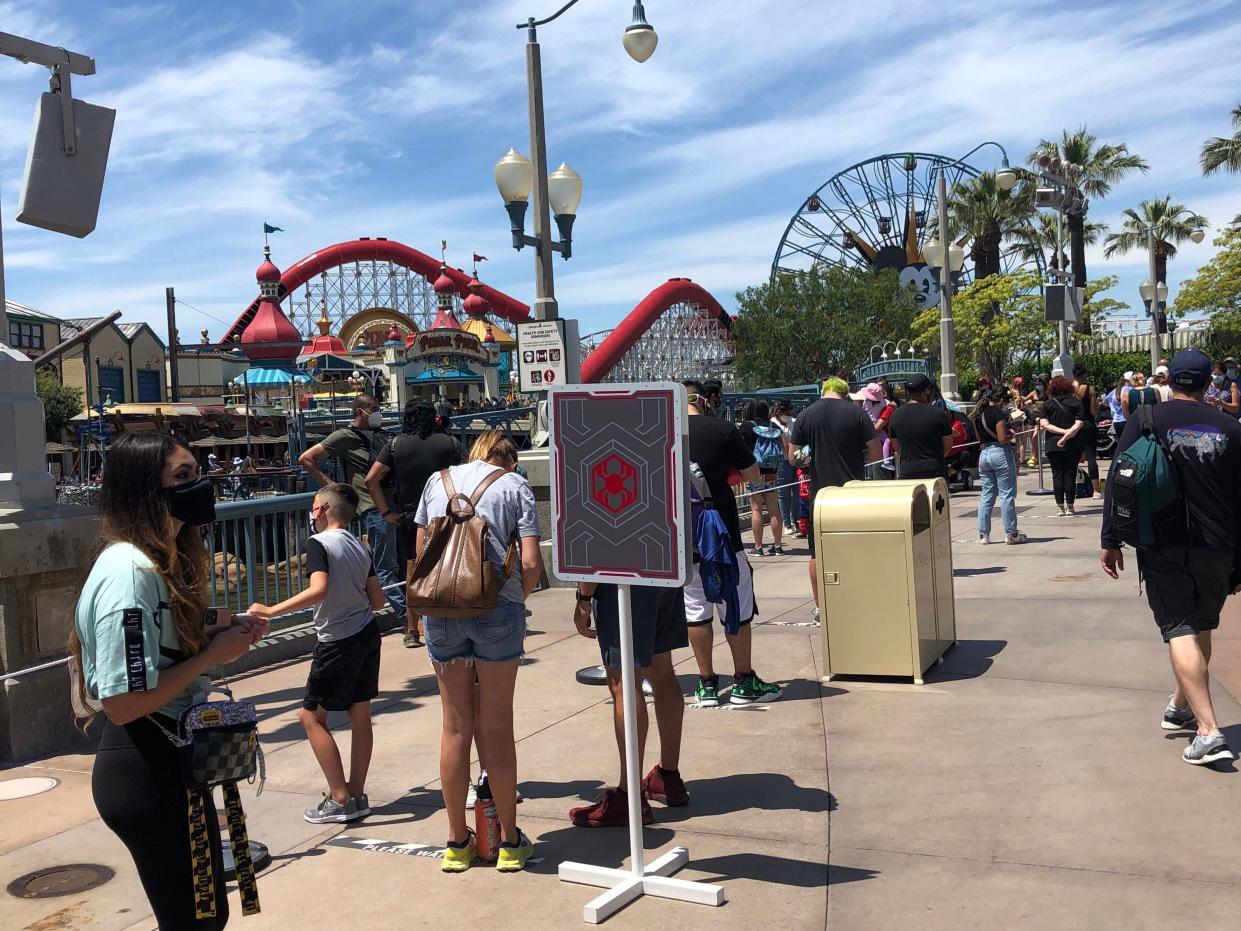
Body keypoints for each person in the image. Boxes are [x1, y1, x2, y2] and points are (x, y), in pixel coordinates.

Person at [69, 432, 265, 930]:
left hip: (167, 758)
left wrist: (217, 629)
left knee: (204, 913)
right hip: (144, 766)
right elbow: (122, 703)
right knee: (192, 920)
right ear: (144, 491)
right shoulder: (129, 574)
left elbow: (154, 648)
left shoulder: (156, 562)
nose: (198, 486)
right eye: (183, 478)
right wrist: (215, 655)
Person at [1101, 349, 1241, 766]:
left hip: (1162, 542)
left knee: (1179, 627)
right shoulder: (1231, 428)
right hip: (1217, 545)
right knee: (1201, 625)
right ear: (1206, 383)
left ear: (1169, 381)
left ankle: (1208, 730)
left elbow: (1119, 481)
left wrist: (1111, 539)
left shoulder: (1148, 421)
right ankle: (1182, 704)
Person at [415, 435, 542, 872]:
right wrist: (513, 601)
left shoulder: (437, 482)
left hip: (442, 611)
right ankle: (508, 842)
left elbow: (421, 555)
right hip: (496, 611)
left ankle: (456, 842)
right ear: (504, 457)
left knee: (454, 728)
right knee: (497, 727)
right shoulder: (514, 486)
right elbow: (529, 563)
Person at [247, 483, 387, 823]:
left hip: (337, 640)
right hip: (367, 634)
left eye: (313, 506)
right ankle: (356, 793)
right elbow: (379, 601)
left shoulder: (319, 543)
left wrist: (270, 611)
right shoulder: (358, 545)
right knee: (360, 714)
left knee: (310, 717)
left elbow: (319, 590)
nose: (312, 512)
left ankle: (339, 798)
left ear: (322, 509)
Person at [683, 380, 782, 705]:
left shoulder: (662, 434)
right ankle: (743, 681)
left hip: (684, 537)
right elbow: (753, 473)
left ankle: (707, 684)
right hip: (722, 532)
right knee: (734, 604)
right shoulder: (722, 429)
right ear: (704, 399)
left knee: (696, 609)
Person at [569, 583, 689, 826]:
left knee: (623, 678)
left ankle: (629, 796)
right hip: (663, 568)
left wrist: (584, 598)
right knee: (662, 669)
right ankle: (668, 775)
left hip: (622, 575)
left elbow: (591, 548)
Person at [364, 400, 464, 649]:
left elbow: (371, 479)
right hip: (448, 515)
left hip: (409, 518)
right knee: (452, 566)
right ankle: (452, 620)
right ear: (434, 418)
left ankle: (411, 629)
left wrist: (386, 512)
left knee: (413, 571)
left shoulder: (395, 445)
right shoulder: (450, 444)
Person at [299, 394, 406, 620]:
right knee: (385, 566)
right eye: (374, 409)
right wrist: (330, 484)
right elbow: (307, 458)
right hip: (373, 507)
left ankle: (409, 614)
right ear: (360, 412)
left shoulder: (381, 434)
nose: (379, 413)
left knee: (401, 563)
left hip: (394, 504)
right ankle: (406, 617)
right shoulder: (345, 436)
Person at [789, 378, 883, 614]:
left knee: (817, 554)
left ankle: (822, 607)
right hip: (853, 494)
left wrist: (814, 458)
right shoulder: (857, 414)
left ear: (824, 392)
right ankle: (855, 602)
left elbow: (793, 458)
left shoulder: (805, 415)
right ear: (845, 394)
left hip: (820, 497)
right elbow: (874, 454)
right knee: (855, 550)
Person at [973, 389, 1027, 545]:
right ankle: (1011, 533)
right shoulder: (997, 414)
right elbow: (1003, 438)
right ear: (1000, 400)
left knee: (987, 494)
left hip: (984, 454)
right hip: (999, 453)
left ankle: (983, 534)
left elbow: (979, 438)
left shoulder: (978, 414)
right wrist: (1011, 434)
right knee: (1006, 495)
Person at [738, 399, 785, 556]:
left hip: (754, 471)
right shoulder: (774, 427)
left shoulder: (746, 427)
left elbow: (741, 449)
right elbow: (784, 448)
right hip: (772, 471)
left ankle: (758, 547)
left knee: (756, 509)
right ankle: (777, 546)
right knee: (773, 509)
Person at [888, 373, 953, 480]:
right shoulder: (938, 414)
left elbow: (896, 445)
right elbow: (948, 444)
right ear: (927, 390)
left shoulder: (895, 415)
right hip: (934, 470)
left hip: (908, 470)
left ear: (908, 391)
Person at [1039, 375, 1086, 516]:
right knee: (1070, 474)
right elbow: (1079, 424)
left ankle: (1060, 506)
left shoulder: (1047, 405)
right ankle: (1070, 506)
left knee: (1057, 474)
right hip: (1073, 444)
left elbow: (1044, 424)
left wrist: (1062, 433)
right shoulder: (1076, 403)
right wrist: (1068, 434)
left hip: (1053, 443)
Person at [852, 383, 894, 480]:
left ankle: (886, 462)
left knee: (879, 478)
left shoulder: (888, 408)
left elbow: (877, 428)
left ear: (885, 393)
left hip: (879, 452)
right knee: (870, 478)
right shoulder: (870, 405)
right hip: (871, 449)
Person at [771, 399, 799, 532]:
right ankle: (787, 523)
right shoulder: (773, 424)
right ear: (778, 413)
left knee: (797, 492)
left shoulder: (794, 422)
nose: (788, 415)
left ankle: (796, 521)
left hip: (796, 459)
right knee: (784, 493)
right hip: (782, 461)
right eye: (785, 412)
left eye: (790, 412)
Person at [1072, 363, 1101, 494]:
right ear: (1084, 374)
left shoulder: (1069, 389)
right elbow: (1094, 411)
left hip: (1073, 425)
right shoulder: (1090, 389)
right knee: (1091, 457)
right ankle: (1096, 490)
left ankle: (1072, 487)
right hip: (1088, 424)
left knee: (1073, 458)